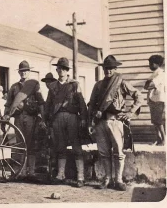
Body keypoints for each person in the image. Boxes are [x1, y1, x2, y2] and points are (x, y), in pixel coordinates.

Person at [88, 55, 143, 191]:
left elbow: (138, 96)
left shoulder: (120, 82)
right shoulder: (98, 85)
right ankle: (107, 179)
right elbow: (91, 104)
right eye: (106, 68)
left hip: (116, 121)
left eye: (111, 68)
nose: (108, 71)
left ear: (115, 68)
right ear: (103, 69)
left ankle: (118, 180)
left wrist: (130, 113)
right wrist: (91, 121)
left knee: (118, 152)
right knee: (104, 152)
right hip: (101, 122)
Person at [45, 57, 88, 188]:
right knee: (60, 146)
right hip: (57, 118)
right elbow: (48, 104)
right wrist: (47, 120)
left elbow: (81, 103)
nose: (62, 71)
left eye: (64, 69)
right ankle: (60, 174)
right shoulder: (52, 86)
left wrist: (84, 118)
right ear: (56, 69)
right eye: (60, 68)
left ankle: (80, 176)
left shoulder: (74, 84)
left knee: (76, 146)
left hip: (72, 117)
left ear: (67, 70)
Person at [3, 60, 46, 179]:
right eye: (21, 71)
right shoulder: (14, 87)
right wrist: (6, 114)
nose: (23, 73)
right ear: (19, 73)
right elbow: (9, 103)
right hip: (18, 118)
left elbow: (41, 102)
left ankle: (31, 172)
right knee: (20, 144)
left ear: (29, 71)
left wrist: (43, 117)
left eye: (25, 71)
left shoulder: (34, 85)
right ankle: (21, 171)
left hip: (31, 117)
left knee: (31, 143)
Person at [144, 55, 165, 146]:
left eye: (151, 63)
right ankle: (159, 139)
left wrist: (148, 82)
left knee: (158, 120)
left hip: (158, 100)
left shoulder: (160, 74)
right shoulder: (154, 74)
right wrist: (148, 83)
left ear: (156, 64)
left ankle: (164, 139)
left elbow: (149, 85)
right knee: (155, 121)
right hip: (153, 100)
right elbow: (146, 86)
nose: (150, 65)